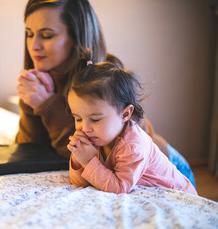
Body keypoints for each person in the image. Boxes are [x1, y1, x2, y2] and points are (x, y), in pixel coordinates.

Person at [15, 0, 195, 186]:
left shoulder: (105, 77)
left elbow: (83, 150)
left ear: (77, 37)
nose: (34, 45)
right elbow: (30, 150)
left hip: (168, 171)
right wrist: (31, 102)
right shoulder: (41, 79)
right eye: (29, 34)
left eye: (46, 35)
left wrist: (47, 106)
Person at [66, 61, 197, 195]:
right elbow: (81, 182)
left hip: (176, 193)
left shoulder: (133, 146)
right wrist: (78, 159)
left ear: (125, 114)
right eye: (78, 118)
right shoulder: (97, 135)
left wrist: (88, 162)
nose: (85, 128)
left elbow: (119, 188)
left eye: (95, 119)